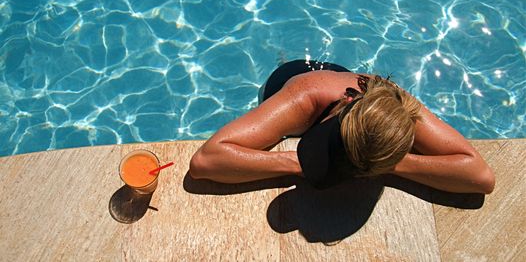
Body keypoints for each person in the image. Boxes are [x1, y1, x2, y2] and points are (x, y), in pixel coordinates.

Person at [189, 60, 495, 194]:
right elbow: (206, 162)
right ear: (345, 103)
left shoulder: (400, 110)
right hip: (296, 80)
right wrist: (299, 163)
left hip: (354, 89)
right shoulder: (306, 96)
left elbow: (481, 178)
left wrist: (389, 163)